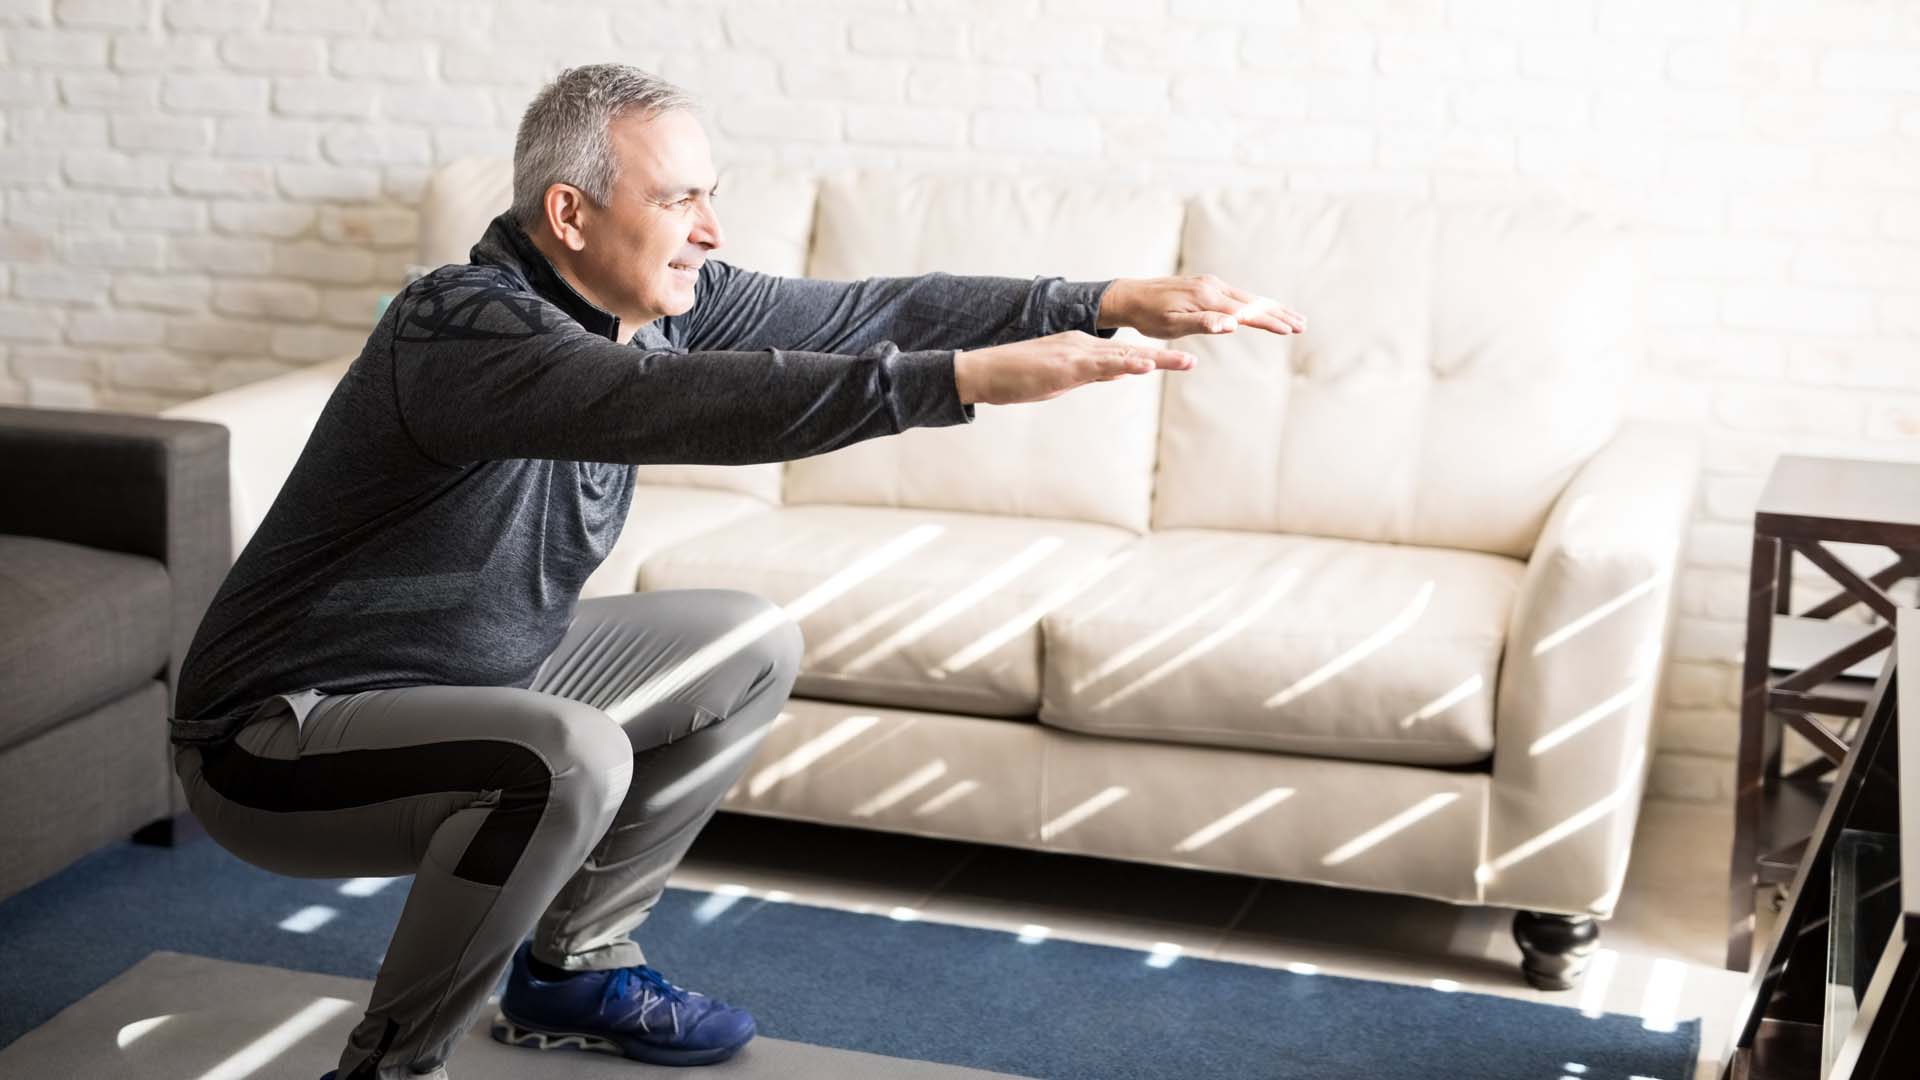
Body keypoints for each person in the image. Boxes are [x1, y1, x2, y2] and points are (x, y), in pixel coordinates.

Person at [167, 63, 1305, 1080]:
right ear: (568, 213)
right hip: (279, 739)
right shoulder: (460, 327)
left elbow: (866, 310)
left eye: (711, 195)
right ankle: (391, 1065)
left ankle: (574, 970)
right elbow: (676, 405)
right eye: (679, 200)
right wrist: (959, 379)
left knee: (744, 643)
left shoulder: (656, 306)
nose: (711, 230)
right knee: (566, 760)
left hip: (471, 683)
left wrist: (1095, 301)